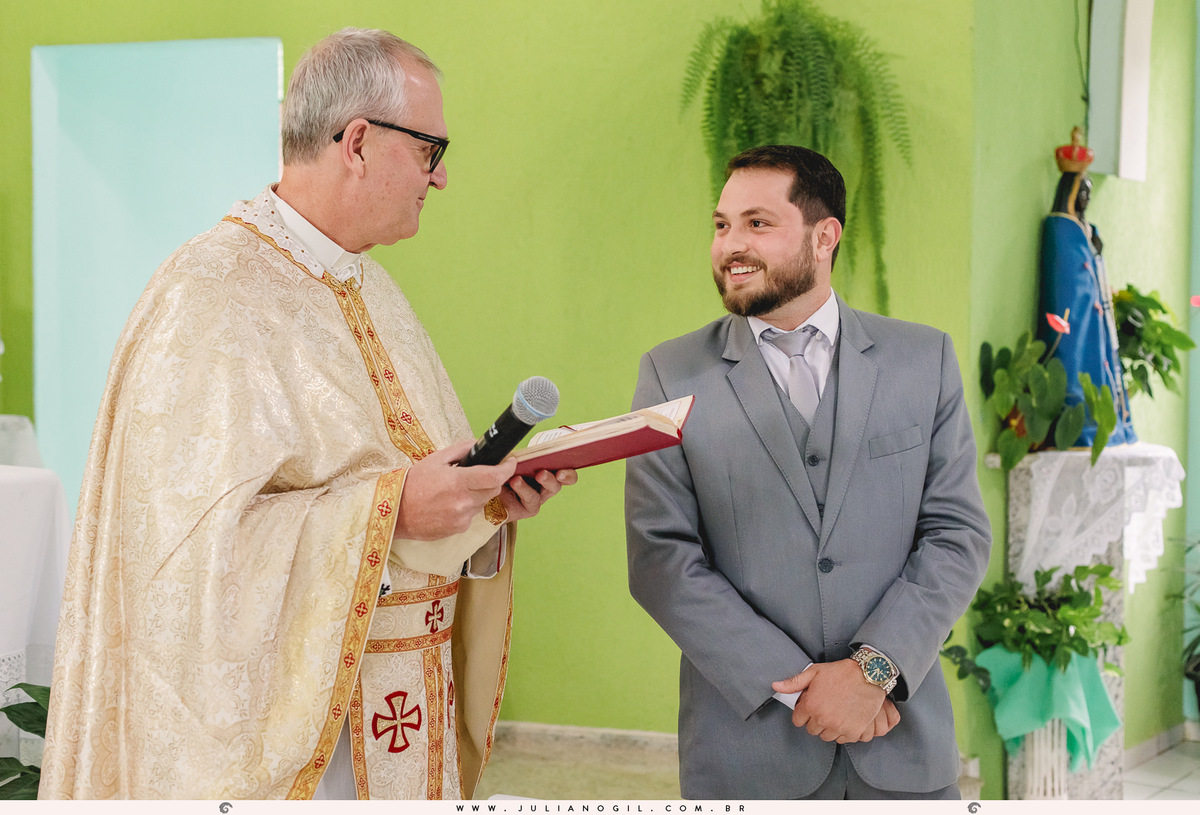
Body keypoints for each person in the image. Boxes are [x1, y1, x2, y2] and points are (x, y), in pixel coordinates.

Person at [39, 28, 575, 801]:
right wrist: (392, 509)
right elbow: (182, 571)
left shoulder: (371, 287)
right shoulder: (209, 295)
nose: (441, 175)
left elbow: (413, 494)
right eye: (429, 149)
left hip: (399, 707)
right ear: (357, 142)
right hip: (300, 755)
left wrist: (483, 502)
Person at [624, 144, 991, 799]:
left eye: (758, 223)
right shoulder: (669, 374)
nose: (731, 244)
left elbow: (957, 534)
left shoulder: (923, 360)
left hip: (901, 745)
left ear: (825, 237)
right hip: (747, 755)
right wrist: (808, 688)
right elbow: (661, 559)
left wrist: (872, 670)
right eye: (721, 225)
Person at [1036, 127, 1136, 447]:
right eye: (1083, 191)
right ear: (1071, 190)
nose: (1087, 198)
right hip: (1074, 315)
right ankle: (1078, 424)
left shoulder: (1085, 228)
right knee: (1073, 362)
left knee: (1099, 365)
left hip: (1093, 318)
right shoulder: (1060, 227)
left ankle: (1106, 424)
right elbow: (1066, 274)